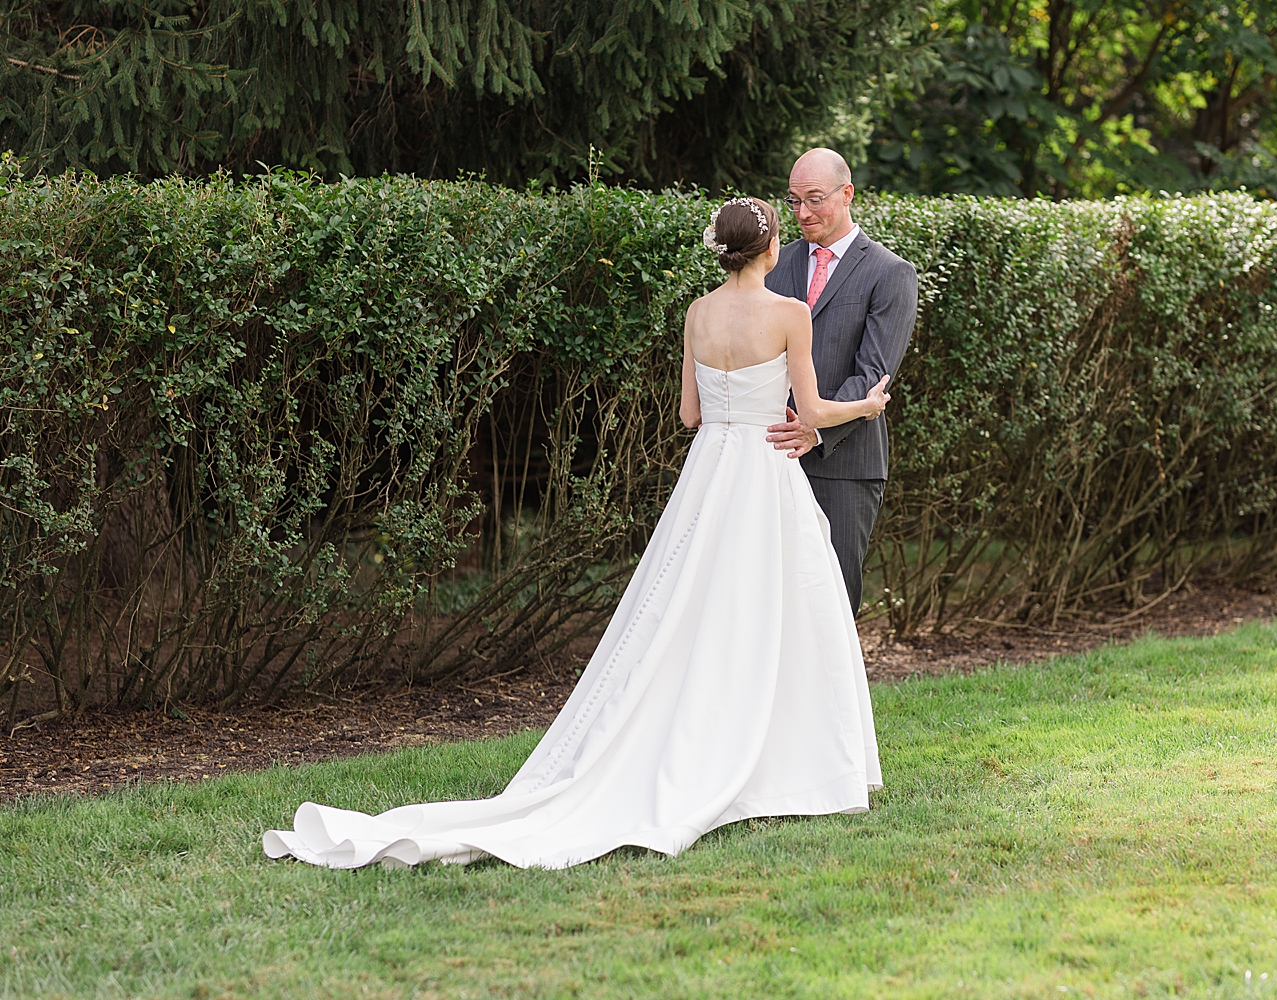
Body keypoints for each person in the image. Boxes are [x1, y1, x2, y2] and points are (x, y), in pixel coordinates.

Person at [263, 197, 889, 871]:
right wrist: (867, 404)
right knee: (777, 610)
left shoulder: (698, 314)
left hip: (710, 470)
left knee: (687, 608)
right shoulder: (790, 313)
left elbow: (687, 413)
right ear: (769, 252)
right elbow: (816, 408)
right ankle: (789, 766)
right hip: (766, 472)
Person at [765, 148, 919, 614]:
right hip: (770, 454)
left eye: (814, 199)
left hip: (845, 463)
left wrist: (814, 427)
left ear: (847, 193)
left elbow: (874, 374)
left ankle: (831, 690)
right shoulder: (773, 263)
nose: (802, 213)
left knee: (830, 596)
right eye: (793, 201)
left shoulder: (890, 274)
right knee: (770, 594)